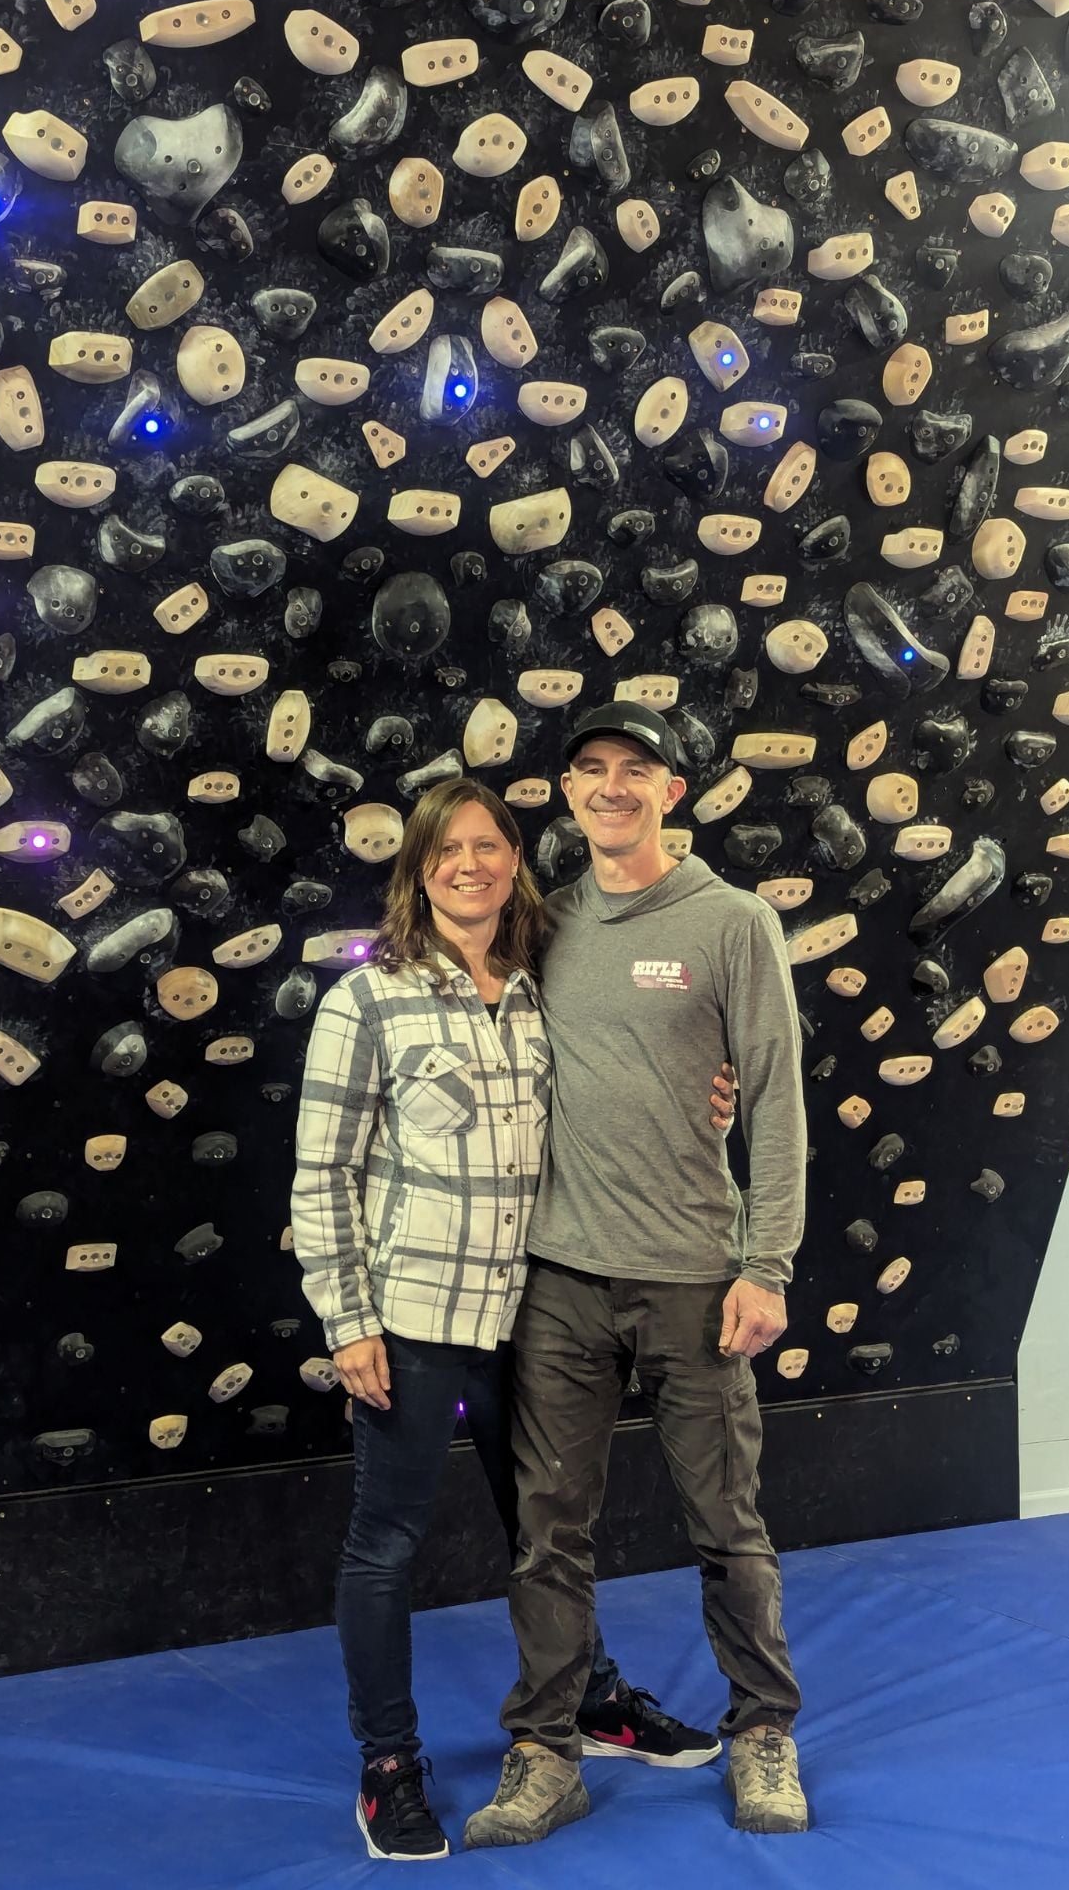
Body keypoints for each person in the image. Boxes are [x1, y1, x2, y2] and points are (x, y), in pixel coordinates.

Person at [291, 777, 735, 1863]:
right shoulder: (369, 999)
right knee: (383, 1547)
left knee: (545, 1536)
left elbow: (626, 1079)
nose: (471, 865)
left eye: (490, 847)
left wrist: (706, 1095)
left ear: (514, 866)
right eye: (448, 850)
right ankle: (387, 1765)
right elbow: (321, 1175)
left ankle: (586, 1698)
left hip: (530, 1315)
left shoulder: (542, 989)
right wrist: (348, 1321)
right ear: (418, 869)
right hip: (411, 1319)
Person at [464, 702, 810, 1851]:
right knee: (546, 1532)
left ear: (673, 790)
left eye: (635, 770)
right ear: (567, 792)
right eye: (590, 769)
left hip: (695, 1283)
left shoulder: (733, 923)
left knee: (726, 1523)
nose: (610, 787)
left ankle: (762, 1731)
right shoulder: (544, 924)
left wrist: (763, 1264)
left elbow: (771, 1101)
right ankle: (544, 1752)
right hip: (558, 1281)